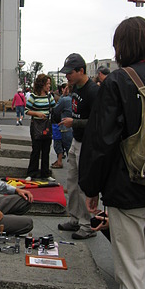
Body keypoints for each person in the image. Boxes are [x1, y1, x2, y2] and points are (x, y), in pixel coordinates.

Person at [79, 16, 145, 289]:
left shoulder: (120, 81)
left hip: (128, 191)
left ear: (122, 47)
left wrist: (90, 189)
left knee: (133, 275)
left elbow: (100, 143)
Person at [57, 53, 99, 239]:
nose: (67, 77)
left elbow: (99, 122)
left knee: (83, 184)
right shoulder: (75, 89)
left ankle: (87, 224)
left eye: (70, 73)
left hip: (87, 144)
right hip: (76, 140)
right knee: (72, 182)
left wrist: (74, 123)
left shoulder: (93, 91)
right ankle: (75, 217)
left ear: (81, 71)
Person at [24, 74, 56, 182]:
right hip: (36, 126)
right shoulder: (33, 96)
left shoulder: (49, 96)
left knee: (46, 150)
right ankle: (31, 173)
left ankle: (45, 173)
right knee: (36, 150)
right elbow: (26, 110)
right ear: (41, 84)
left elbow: (54, 108)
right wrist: (37, 113)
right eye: (47, 84)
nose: (49, 86)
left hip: (46, 126)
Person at [51, 83, 73, 168]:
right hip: (73, 127)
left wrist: (63, 96)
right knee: (71, 150)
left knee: (65, 147)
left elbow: (56, 110)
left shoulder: (65, 99)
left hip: (64, 126)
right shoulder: (74, 98)